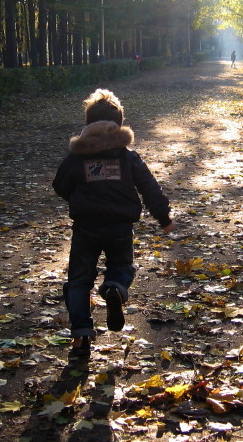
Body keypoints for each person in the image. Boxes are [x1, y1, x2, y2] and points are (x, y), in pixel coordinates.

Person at [53, 88, 175, 356]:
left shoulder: (77, 157)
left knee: (78, 281)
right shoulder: (127, 156)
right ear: (118, 124)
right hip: (120, 226)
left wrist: (80, 196)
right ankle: (115, 289)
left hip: (86, 227)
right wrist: (164, 217)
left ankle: (81, 336)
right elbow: (149, 187)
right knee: (121, 266)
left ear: (88, 124)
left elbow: (60, 185)